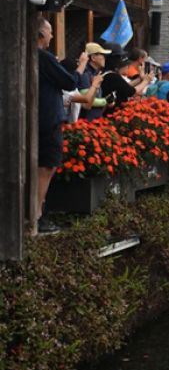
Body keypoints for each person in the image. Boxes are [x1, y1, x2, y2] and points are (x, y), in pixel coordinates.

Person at [36, 16, 83, 233]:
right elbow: (69, 82)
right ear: (41, 34)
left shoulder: (35, 56)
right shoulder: (44, 57)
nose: (52, 36)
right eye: (50, 32)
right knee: (46, 167)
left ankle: (37, 212)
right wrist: (80, 67)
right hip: (47, 121)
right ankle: (37, 215)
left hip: (41, 120)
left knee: (45, 167)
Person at [77, 41, 112, 120]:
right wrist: (105, 101)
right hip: (87, 120)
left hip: (96, 118)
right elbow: (86, 100)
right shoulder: (85, 74)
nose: (104, 57)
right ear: (93, 58)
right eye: (101, 54)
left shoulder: (95, 73)